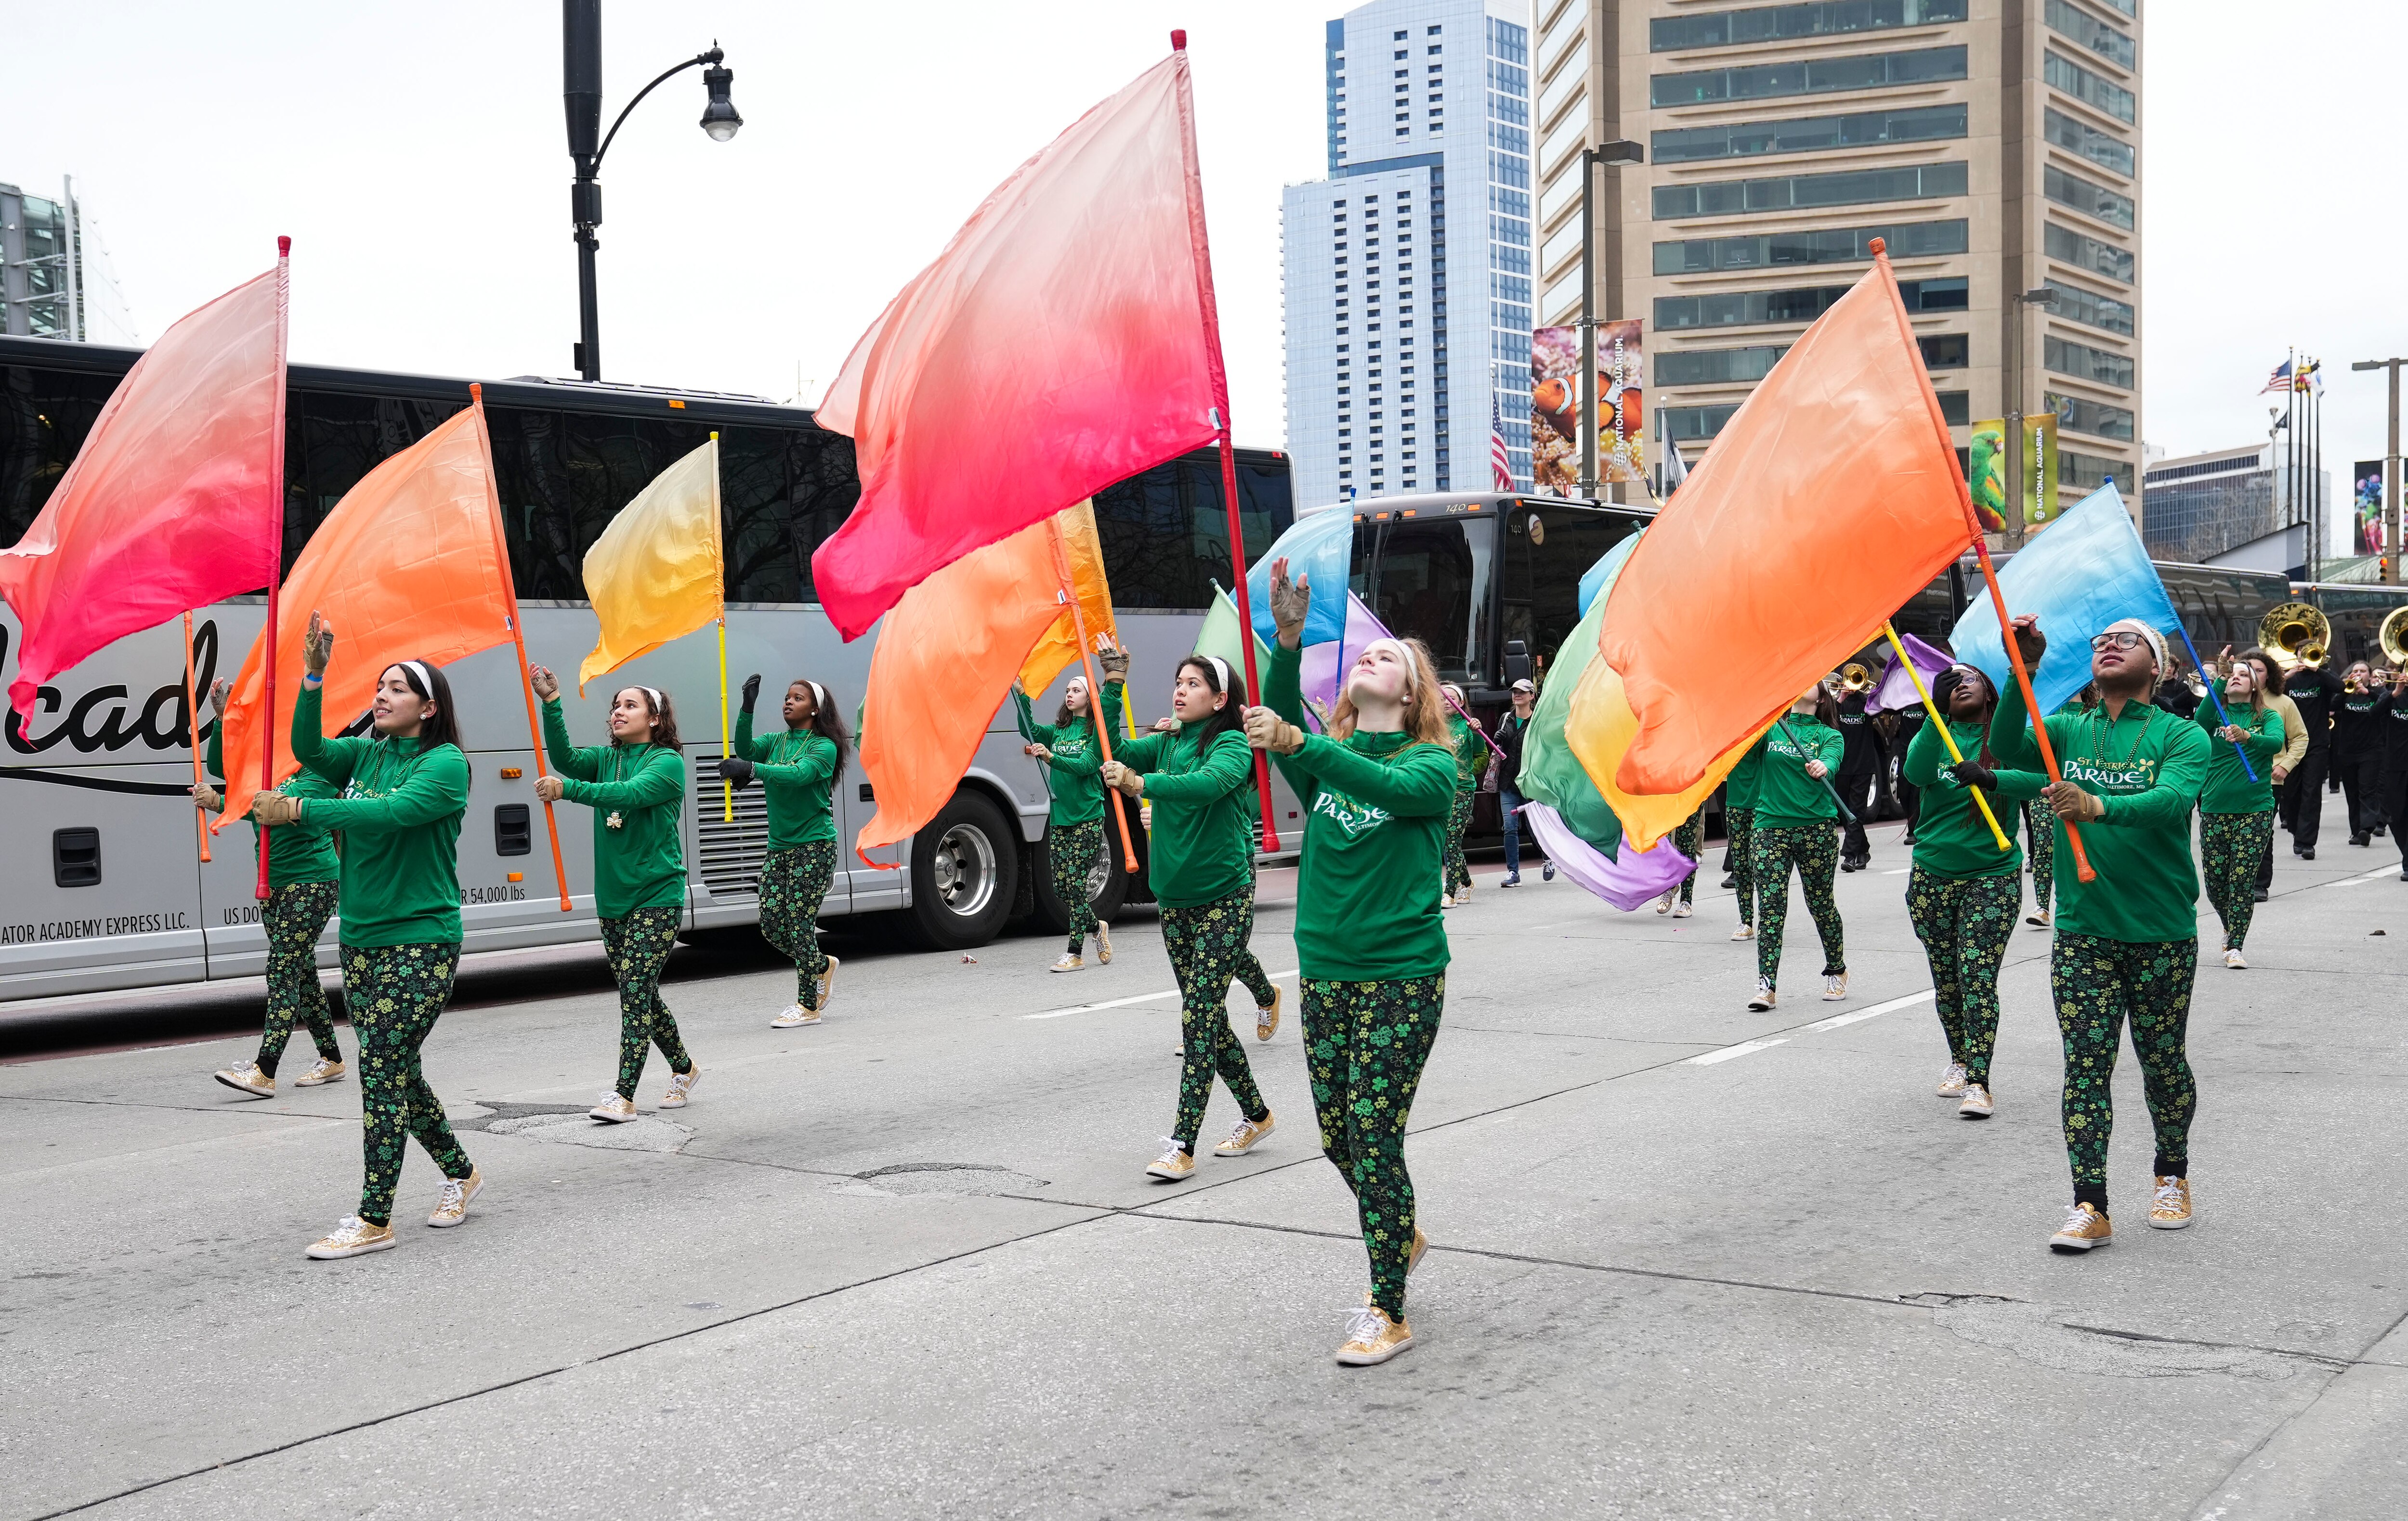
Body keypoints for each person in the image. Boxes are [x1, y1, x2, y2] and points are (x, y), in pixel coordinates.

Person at [1253, 557, 1456, 1367]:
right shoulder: (1331, 752)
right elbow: (1277, 723)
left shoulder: (1430, 767)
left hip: (1401, 976)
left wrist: (1303, 738)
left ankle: (1387, 1307)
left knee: (1373, 1135)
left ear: (1410, 695)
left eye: (1388, 659)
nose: (1370, 658)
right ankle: (1398, 1232)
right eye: (1365, 656)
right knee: (1340, 1139)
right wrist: (1288, 641)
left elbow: (1360, 773)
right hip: (1328, 974)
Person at [255, 614, 479, 1260]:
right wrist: (314, 675)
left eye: (397, 688)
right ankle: (461, 1171)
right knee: (396, 1067)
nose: (381, 695)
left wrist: (301, 808)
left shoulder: (446, 764)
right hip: (361, 938)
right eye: (379, 686)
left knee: (379, 1066)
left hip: (422, 938)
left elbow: (388, 814)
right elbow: (310, 748)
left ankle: (374, 1214)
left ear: (428, 706)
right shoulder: (369, 751)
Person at [1991, 615, 2210, 1254]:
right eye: (2099, 642)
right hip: (2084, 931)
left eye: (2127, 639)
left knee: (2163, 1060)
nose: (2108, 645)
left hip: (2162, 931)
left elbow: (2170, 802)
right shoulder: (2067, 730)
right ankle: (2091, 1202)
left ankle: (2171, 1172)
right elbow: (2008, 745)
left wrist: (2097, 804)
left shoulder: (2180, 734)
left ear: (2159, 665)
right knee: (2086, 1065)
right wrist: (2021, 670)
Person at [1100, 654, 1278, 1182]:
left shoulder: (1230, 744)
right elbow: (1110, 748)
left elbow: (1205, 785)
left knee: (1198, 1017)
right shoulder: (1168, 741)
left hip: (1224, 897)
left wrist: (1140, 785)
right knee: (1211, 1021)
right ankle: (1257, 1115)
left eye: (1193, 684)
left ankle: (1181, 1144)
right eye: (1177, 682)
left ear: (1219, 699)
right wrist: (1112, 686)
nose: (1180, 691)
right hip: (1173, 901)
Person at [531, 670, 698, 1122]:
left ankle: (623, 1094)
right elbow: (565, 757)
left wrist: (570, 791)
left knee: (634, 993)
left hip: (656, 895)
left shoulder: (667, 763)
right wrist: (552, 702)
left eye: (630, 705)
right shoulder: (608, 758)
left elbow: (626, 794)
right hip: (613, 897)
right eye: (615, 706)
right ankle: (684, 1067)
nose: (618, 712)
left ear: (655, 717)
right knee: (638, 991)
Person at [1902, 666, 2044, 1119]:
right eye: (1951, 680)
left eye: (1970, 679)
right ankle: (1960, 1059)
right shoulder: (1937, 731)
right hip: (1932, 874)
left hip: (1993, 874)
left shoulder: (2008, 741)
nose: (1960, 683)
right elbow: (1916, 772)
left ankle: (1979, 1082)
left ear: (1989, 693)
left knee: (1977, 976)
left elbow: (2038, 780)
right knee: (1947, 981)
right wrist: (1934, 714)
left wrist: (1990, 778)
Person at [195, 679, 348, 1100]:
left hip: (313, 882)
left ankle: (264, 1069)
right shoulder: (269, 759)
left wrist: (229, 802)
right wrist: (224, 716)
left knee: (282, 967)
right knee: (301, 971)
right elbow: (226, 767)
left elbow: (276, 808)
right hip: (274, 883)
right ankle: (332, 1057)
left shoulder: (321, 761)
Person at [724, 674, 849, 1027]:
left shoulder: (824, 747)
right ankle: (822, 966)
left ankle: (807, 1006)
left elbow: (797, 774)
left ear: (816, 709)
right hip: (779, 848)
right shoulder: (776, 741)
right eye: (786, 697)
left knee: (798, 923)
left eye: (798, 698)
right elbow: (746, 749)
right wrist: (747, 708)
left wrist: (753, 769)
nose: (788, 702)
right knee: (772, 925)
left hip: (815, 847)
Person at [1011, 644, 1130, 971]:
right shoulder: (1059, 731)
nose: (1069, 694)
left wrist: (1050, 757)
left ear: (1089, 697)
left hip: (1088, 817)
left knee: (1076, 884)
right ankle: (1097, 927)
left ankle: (1074, 952)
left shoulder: (1095, 731)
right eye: (1067, 690)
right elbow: (1030, 731)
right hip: (1061, 817)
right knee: (1063, 887)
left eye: (1076, 689)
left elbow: (1088, 764)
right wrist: (1021, 696)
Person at [1746, 686, 1848, 1010]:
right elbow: (1744, 750)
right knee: (1772, 907)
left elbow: (1831, 760)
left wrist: (1823, 766)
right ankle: (1767, 986)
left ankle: (1837, 969)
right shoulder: (1772, 727)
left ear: (1821, 698)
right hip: (1769, 828)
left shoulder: (1830, 736)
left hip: (1815, 828)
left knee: (1821, 904)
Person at [2195, 663, 2285, 969]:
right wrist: (2218, 679)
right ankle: (2229, 926)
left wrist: (2248, 737)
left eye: (2243, 674)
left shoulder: (2267, 716)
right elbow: (2198, 719)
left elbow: (2275, 743)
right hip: (2214, 808)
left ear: (2255, 685)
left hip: (2255, 809)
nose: (2236, 677)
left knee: (2242, 881)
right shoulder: (2215, 716)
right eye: (2231, 674)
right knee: (2215, 885)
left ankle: (2235, 945)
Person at [2223, 646, 2308, 899]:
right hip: (2228, 781)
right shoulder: (2227, 703)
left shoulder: (2282, 704)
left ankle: (2259, 883)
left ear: (2268, 675)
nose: (2253, 675)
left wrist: (2286, 765)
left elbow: (2300, 737)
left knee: (2261, 833)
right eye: (2246, 670)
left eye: (2258, 671)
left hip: (2268, 779)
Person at [2277, 656, 2343, 858]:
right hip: (2291, 744)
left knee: (2312, 791)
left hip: (2317, 743)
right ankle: (2297, 831)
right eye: (2301, 653)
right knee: (2292, 792)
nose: (2305, 657)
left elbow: (2340, 686)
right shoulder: (2289, 679)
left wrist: (2318, 669)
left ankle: (2307, 842)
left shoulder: (2322, 677)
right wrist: (2287, 675)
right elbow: (2269, 692)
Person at [1440, 684, 1487, 906]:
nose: (1445, 702)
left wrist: (1476, 733)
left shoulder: (1468, 726)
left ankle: (1449, 891)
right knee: (1448, 841)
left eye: (1450, 698)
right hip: (1440, 790)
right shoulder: (1433, 728)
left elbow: (1481, 755)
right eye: (1441, 698)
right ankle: (1466, 883)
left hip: (1463, 790)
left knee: (1451, 839)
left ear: (1460, 703)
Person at [2333, 661, 2387, 846]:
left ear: (2369, 676)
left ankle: (2367, 828)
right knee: (2352, 792)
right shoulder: (2346, 693)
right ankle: (2356, 832)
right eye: (2355, 671)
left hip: (2372, 750)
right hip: (2348, 750)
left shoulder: (2377, 693)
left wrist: (2367, 693)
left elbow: (2384, 706)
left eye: (2363, 671)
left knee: (2367, 790)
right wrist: (2344, 690)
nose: (2358, 674)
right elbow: (2332, 706)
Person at [1494, 677, 1540, 886]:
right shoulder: (1506, 719)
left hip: (1530, 782)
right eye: (1514, 692)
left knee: (1534, 826)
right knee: (1510, 827)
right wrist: (1498, 740)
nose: (1517, 695)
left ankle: (1548, 859)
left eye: (1522, 692)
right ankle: (1513, 873)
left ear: (1532, 696)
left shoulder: (1538, 720)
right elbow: (1496, 750)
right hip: (1508, 782)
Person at [1833, 683, 1884, 871]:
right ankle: (1863, 849)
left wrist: (1870, 694)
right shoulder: (1838, 704)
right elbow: (1828, 718)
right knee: (1844, 812)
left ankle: (1849, 856)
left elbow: (1880, 708)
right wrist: (1841, 698)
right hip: (1842, 765)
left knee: (1856, 811)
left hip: (1863, 765)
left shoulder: (1866, 703)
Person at [1724, 733, 1764, 942]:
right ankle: (1746, 921)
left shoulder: (1768, 729)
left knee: (1762, 867)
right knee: (1740, 866)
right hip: (1736, 804)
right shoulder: (1730, 731)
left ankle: (1768, 921)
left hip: (1762, 806)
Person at [2379, 665, 2408, 881]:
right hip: (2395, 764)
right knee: (2395, 815)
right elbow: (2373, 714)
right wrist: (2395, 692)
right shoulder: (2392, 697)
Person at [1656, 806, 1701, 917]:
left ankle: (1686, 900)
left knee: (1687, 843)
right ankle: (1670, 885)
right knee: (1663, 843)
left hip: (1691, 796)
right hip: (1666, 796)